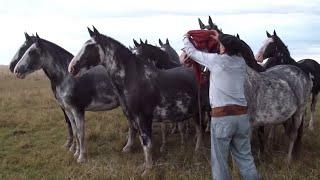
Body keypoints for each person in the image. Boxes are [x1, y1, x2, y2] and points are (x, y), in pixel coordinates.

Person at [181, 30, 259, 180]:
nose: (219, 46)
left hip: (222, 118)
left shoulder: (216, 60)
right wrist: (223, 39)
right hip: (242, 117)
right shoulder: (241, 62)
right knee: (246, 159)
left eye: (221, 44)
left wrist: (185, 37)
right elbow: (239, 46)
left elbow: (192, 52)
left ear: (224, 48)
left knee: (220, 162)